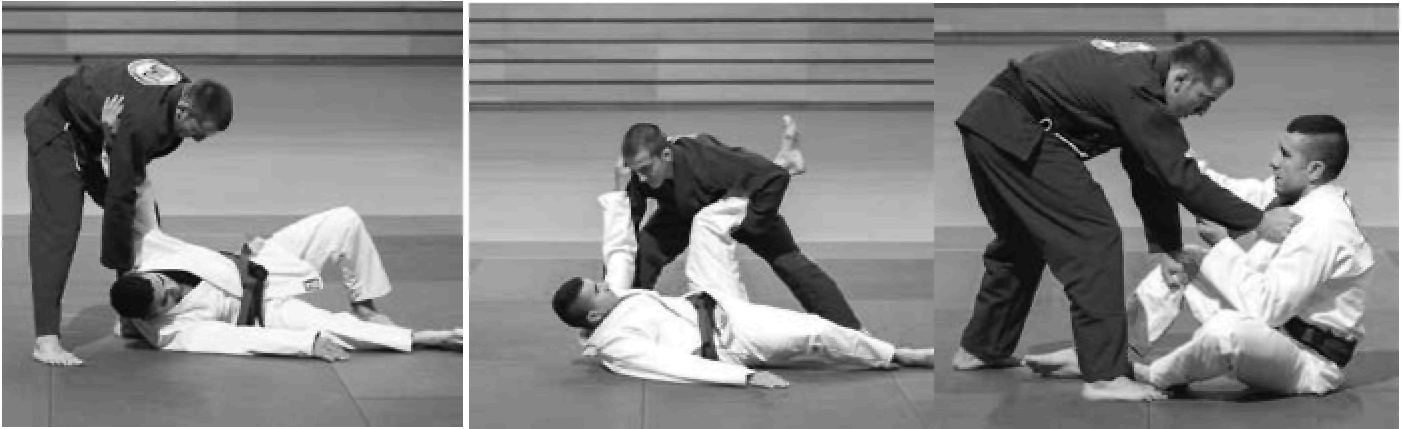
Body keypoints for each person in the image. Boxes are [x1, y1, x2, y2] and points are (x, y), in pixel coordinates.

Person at [949, 37, 1303, 401]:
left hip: (992, 121)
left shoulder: (1147, 76)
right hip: (1017, 127)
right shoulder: (1140, 90)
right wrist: (1258, 220)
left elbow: (1149, 170)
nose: (1203, 112)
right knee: (1092, 238)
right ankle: (1104, 376)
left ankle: (982, 347)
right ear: (1180, 79)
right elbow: (1181, 177)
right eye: (1204, 99)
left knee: (1022, 239)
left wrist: (1167, 246)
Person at [1023, 115, 1372, 396]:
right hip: (1273, 331)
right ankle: (1108, 355)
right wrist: (1163, 141)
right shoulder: (1293, 196)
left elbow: (1268, 307)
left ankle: (1148, 375)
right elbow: (1219, 188)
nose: (1272, 161)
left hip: (1307, 361)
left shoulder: (1325, 226)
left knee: (1226, 330)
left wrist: (1222, 247)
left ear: (1314, 170)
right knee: (1184, 259)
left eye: (1285, 154)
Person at [551, 165, 933, 388]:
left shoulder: (613, 300)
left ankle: (775, 172)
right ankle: (894, 354)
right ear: (595, 314)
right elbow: (668, 366)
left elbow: (618, 250)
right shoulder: (617, 343)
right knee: (815, 332)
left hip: (708, 299)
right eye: (598, 289)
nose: (606, 283)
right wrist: (743, 377)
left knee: (707, 221)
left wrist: (619, 193)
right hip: (729, 339)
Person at [26, 58, 233, 365]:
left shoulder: (182, 95)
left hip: (100, 136)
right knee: (59, 230)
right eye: (198, 130)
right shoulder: (144, 122)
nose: (199, 140)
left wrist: (110, 138)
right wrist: (117, 259)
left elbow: (129, 176)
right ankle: (46, 340)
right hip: (59, 130)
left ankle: (133, 315)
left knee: (145, 221)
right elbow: (120, 196)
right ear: (184, 110)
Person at [108, 207, 462, 360]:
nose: (173, 289)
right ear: (153, 316)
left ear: (143, 274)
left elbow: (132, 194)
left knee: (344, 220)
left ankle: (364, 304)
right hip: (264, 312)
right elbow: (241, 340)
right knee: (331, 327)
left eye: (163, 283)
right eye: (167, 301)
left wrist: (112, 141)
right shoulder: (172, 333)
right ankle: (426, 338)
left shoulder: (150, 254)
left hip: (263, 263)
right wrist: (306, 344)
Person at [619, 116, 862, 330]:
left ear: (666, 155)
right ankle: (627, 319)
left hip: (738, 205)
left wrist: (752, 225)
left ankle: (850, 330)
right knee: (644, 251)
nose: (641, 178)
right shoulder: (642, 173)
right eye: (635, 171)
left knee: (788, 261)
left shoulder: (710, 161)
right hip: (681, 210)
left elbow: (774, 177)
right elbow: (625, 226)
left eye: (646, 169)